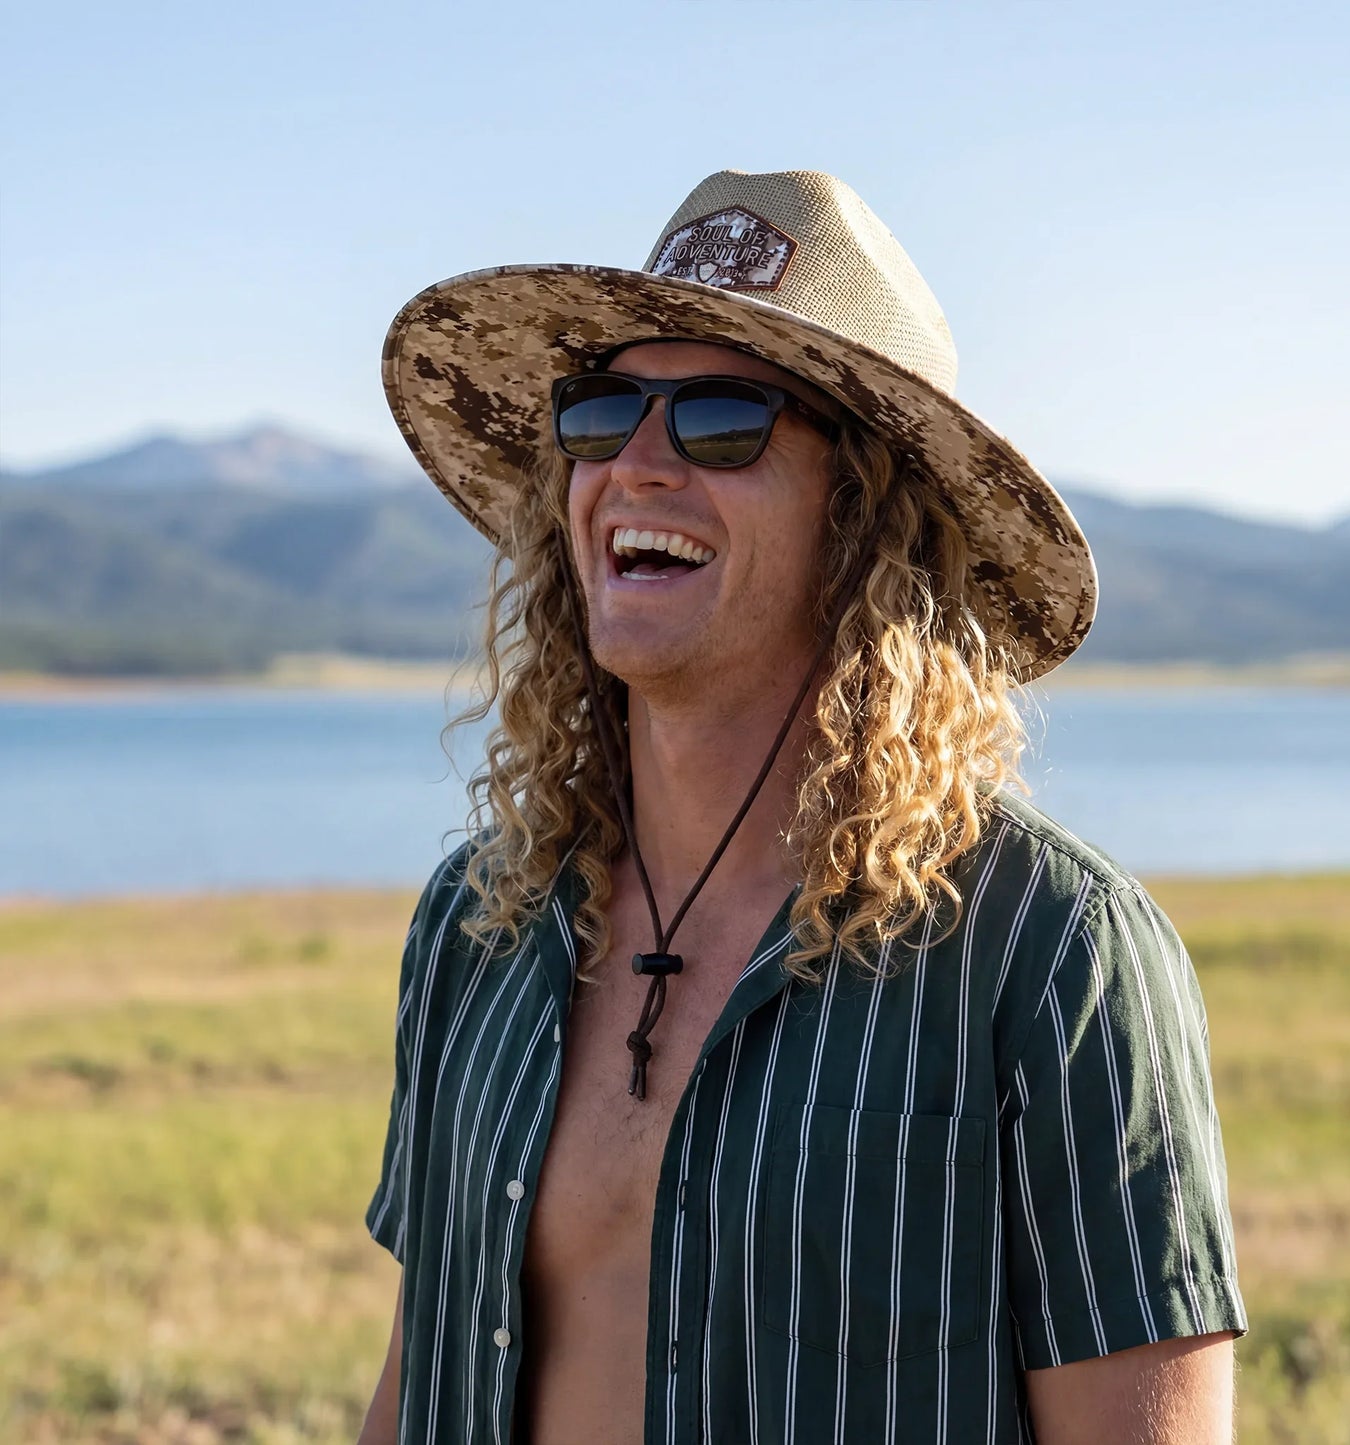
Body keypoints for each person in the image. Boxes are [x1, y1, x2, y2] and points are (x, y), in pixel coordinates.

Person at [356, 170, 1247, 1445]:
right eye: (602, 413)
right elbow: (420, 1365)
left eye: (721, 419)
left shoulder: (1049, 954)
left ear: (864, 515)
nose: (637, 465)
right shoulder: (478, 921)